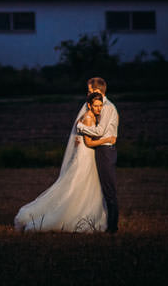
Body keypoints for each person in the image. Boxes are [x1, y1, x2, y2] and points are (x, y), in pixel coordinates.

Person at [13, 91, 115, 233]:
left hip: (87, 154)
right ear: (89, 106)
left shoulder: (90, 117)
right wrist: (107, 139)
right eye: (96, 106)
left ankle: (85, 213)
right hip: (86, 155)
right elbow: (89, 142)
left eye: (100, 106)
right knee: (79, 186)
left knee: (85, 187)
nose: (99, 109)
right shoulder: (88, 118)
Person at [74, 76, 119, 234]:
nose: (88, 93)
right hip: (102, 149)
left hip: (106, 150)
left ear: (97, 90)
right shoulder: (99, 106)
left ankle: (112, 227)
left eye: (90, 90)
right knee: (104, 187)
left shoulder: (106, 107)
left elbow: (99, 131)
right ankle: (106, 222)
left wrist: (81, 128)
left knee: (109, 188)